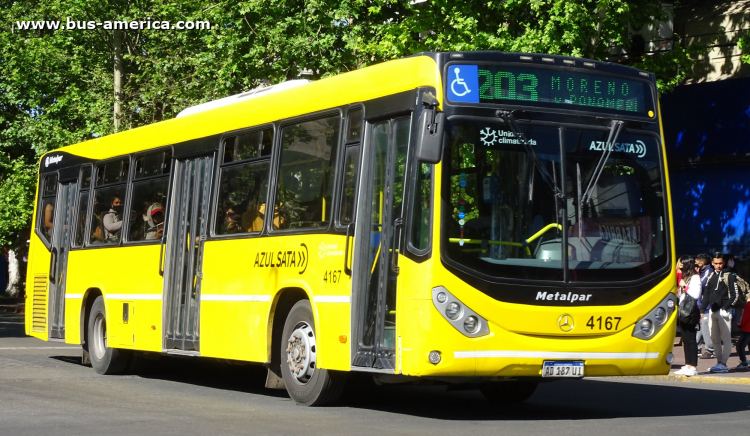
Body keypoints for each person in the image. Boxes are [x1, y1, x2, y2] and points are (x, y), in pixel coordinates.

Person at [700, 252, 739, 373]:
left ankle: (723, 363)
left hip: (724, 311)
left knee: (726, 339)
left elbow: (735, 295)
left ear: (724, 262)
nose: (718, 266)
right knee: (714, 338)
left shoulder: (730, 275)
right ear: (712, 263)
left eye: (720, 263)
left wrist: (725, 308)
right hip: (712, 311)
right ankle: (719, 363)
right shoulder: (711, 276)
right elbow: (706, 294)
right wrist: (702, 310)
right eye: (716, 263)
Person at [675, 256, 701, 377]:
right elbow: (682, 296)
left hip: (691, 312)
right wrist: (680, 288)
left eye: (682, 265)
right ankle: (688, 365)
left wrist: (685, 286)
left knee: (691, 340)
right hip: (683, 310)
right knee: (685, 339)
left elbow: (695, 295)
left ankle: (694, 366)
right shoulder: (687, 277)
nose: (680, 267)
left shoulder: (695, 278)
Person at [695, 253, 715, 359]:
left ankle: (709, 350)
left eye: (696, 263)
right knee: (700, 327)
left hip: (707, 306)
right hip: (701, 305)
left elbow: (701, 285)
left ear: (701, 263)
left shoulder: (708, 272)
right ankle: (697, 348)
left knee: (705, 328)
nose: (695, 265)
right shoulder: (703, 272)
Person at [736, 299, 750, 370]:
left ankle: (744, 361)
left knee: (740, 346)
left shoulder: (748, 305)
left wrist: (740, 324)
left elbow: (745, 317)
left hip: (747, 329)